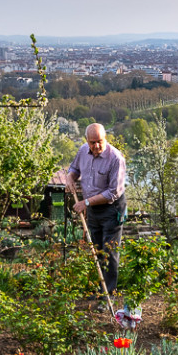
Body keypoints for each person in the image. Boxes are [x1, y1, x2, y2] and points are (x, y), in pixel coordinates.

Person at [66, 123, 127, 293]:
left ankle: (109, 295)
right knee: (97, 249)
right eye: (92, 142)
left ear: (105, 138)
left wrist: (85, 203)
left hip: (111, 209)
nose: (96, 146)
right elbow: (74, 169)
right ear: (87, 140)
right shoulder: (83, 151)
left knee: (110, 251)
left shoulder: (115, 158)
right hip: (93, 210)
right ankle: (101, 290)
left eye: (99, 141)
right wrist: (70, 178)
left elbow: (113, 193)